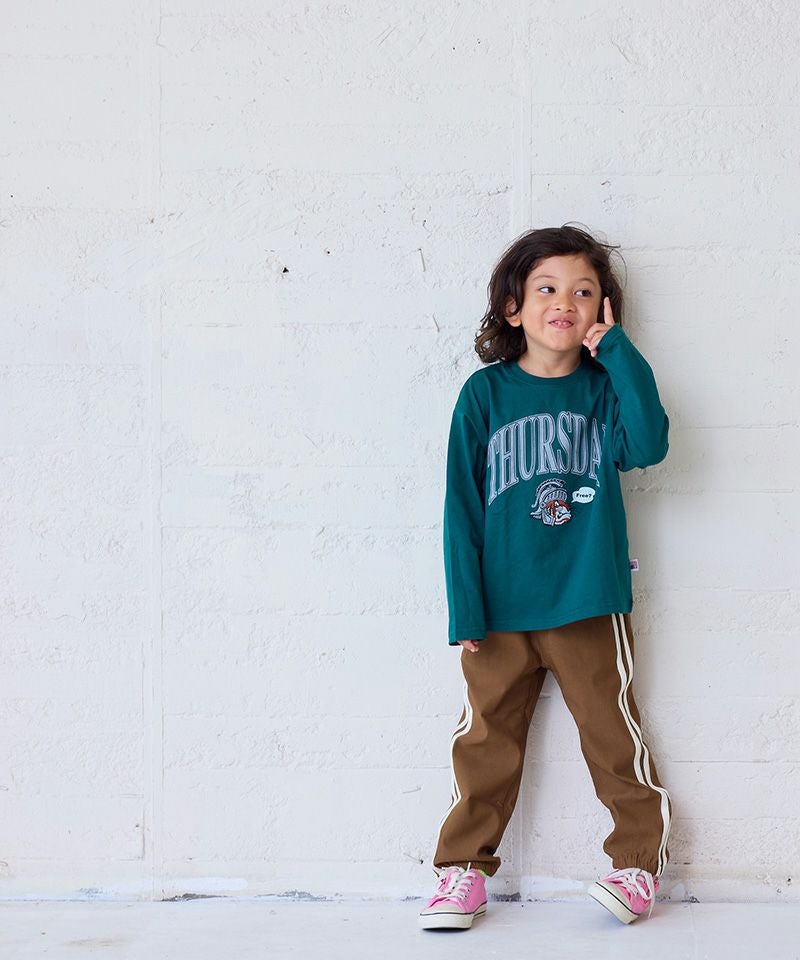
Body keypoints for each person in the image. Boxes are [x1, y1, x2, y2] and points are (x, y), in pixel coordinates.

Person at [418, 224, 674, 930]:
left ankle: (637, 864)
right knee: (484, 743)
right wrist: (465, 608)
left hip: (587, 599)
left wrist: (617, 351)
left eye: (583, 292)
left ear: (603, 310)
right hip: (498, 607)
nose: (565, 302)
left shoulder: (604, 389)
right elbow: (460, 508)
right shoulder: (484, 395)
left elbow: (650, 444)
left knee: (612, 734)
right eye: (547, 288)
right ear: (513, 306)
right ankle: (462, 871)